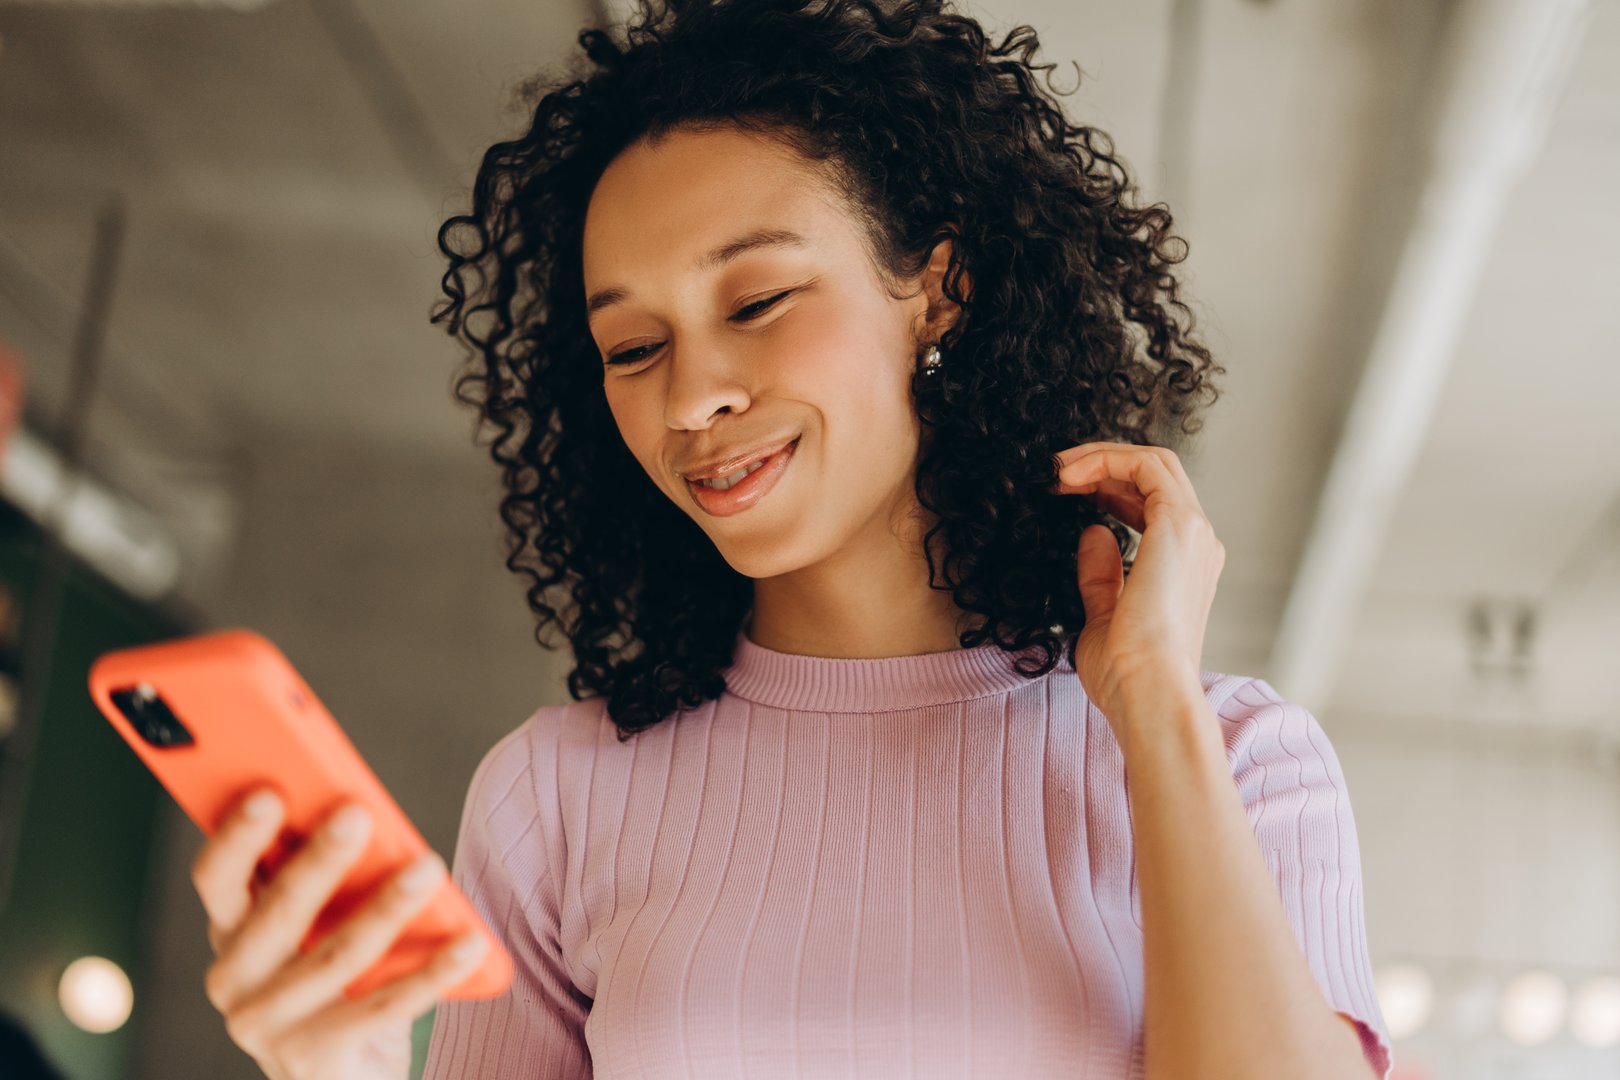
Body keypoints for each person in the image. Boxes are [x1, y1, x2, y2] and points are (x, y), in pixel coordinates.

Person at [188, 1, 1395, 1077]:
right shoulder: (554, 797)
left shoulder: (1240, 762)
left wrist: (1154, 712)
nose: (689, 398)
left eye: (757, 302)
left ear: (938, 290)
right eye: (633, 348)